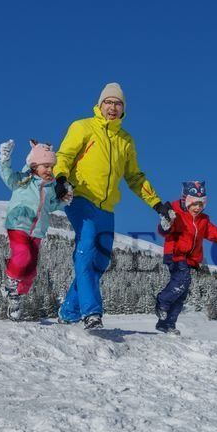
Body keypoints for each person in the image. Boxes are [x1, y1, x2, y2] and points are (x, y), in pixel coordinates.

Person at [52, 82, 173, 329]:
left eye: (118, 103)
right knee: (85, 252)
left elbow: (135, 178)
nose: (113, 107)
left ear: (123, 108)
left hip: (106, 209)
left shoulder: (125, 141)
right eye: (108, 102)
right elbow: (64, 156)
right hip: (81, 199)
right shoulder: (83, 127)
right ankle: (92, 313)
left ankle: (68, 312)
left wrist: (157, 204)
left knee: (100, 262)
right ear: (100, 104)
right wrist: (61, 179)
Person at [155, 180, 217, 334]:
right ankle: (162, 302)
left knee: (182, 293)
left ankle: (167, 324)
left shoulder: (203, 220)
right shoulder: (175, 212)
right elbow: (164, 229)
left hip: (190, 259)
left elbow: (213, 232)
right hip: (176, 253)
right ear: (186, 200)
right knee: (183, 280)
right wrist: (165, 224)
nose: (197, 207)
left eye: (201, 204)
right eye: (194, 204)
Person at [0, 139, 72, 321]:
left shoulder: (51, 188)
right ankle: (10, 281)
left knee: (31, 271)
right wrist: (4, 157)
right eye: (45, 166)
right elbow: (6, 174)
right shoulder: (23, 180)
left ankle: (16, 297)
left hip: (37, 231)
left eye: (51, 167)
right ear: (34, 165)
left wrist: (64, 201)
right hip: (18, 224)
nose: (49, 170)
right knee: (23, 255)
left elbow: (52, 205)